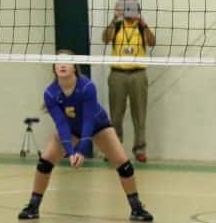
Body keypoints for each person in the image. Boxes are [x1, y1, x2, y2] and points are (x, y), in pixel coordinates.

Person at [17, 51, 154, 221]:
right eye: (58, 62)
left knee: (124, 165)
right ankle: (33, 206)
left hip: (98, 126)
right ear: (53, 67)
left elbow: (88, 120)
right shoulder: (51, 93)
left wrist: (81, 150)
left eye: (67, 62)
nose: (62, 65)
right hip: (71, 129)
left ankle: (137, 208)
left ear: (75, 66)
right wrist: (70, 151)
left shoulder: (87, 87)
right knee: (45, 162)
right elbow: (61, 124)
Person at [102, 0, 156, 163]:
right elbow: (105, 39)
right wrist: (114, 18)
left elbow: (152, 42)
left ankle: (140, 149)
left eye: (133, 7)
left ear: (138, 9)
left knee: (139, 114)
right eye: (127, 7)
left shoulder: (141, 27)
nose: (130, 10)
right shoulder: (117, 26)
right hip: (118, 74)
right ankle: (114, 148)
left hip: (138, 74)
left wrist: (144, 24)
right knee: (116, 115)